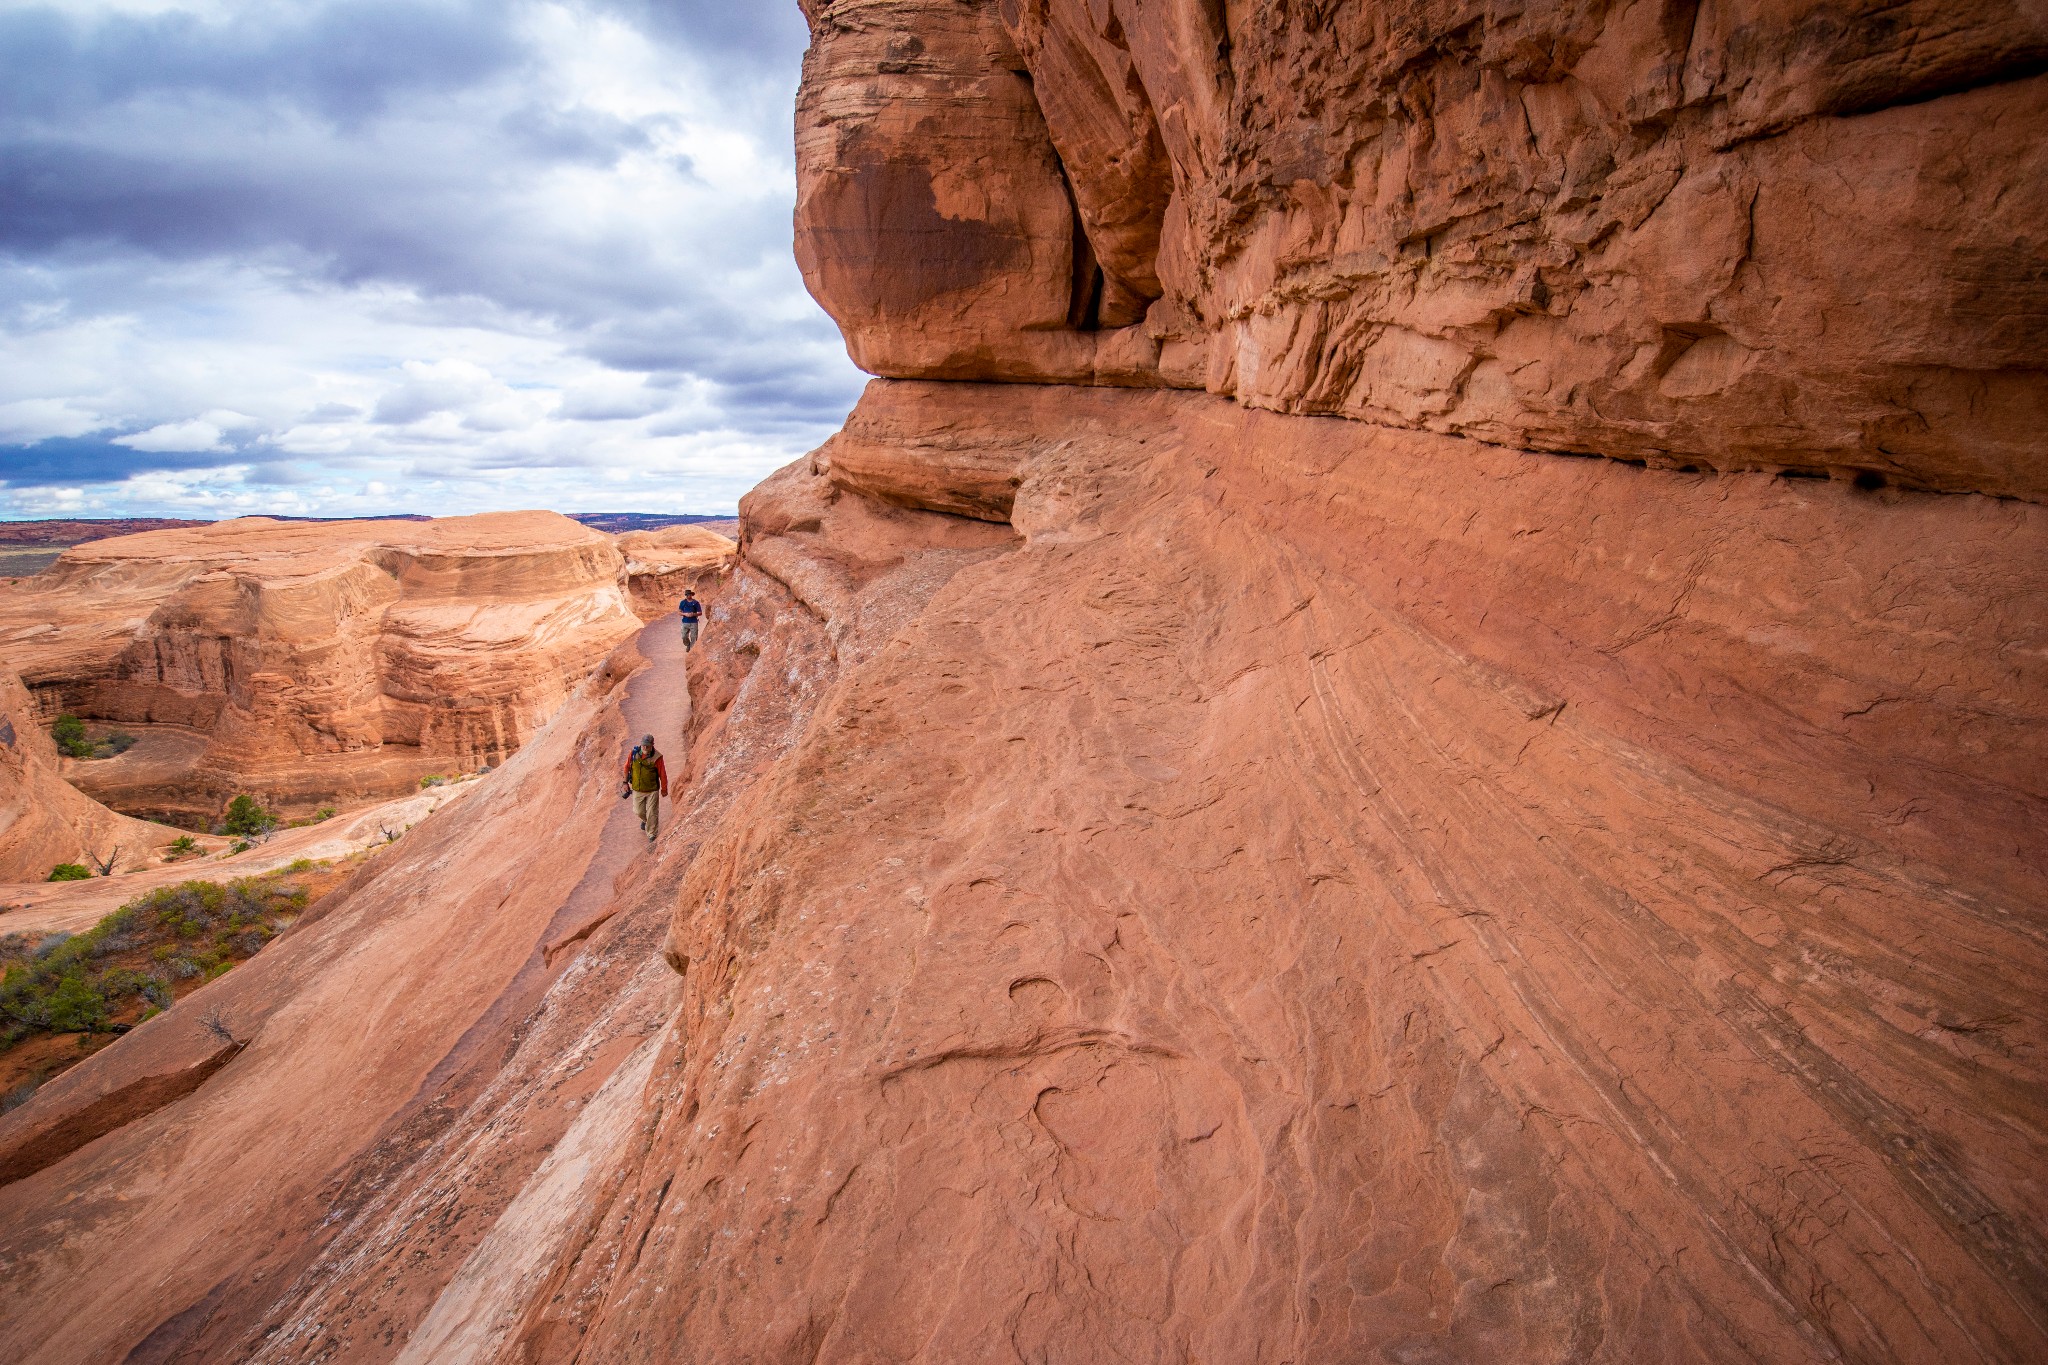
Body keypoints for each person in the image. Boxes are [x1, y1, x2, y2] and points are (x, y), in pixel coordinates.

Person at [621, 734, 668, 842]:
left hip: (652, 790)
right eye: (643, 746)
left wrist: (664, 789)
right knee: (638, 811)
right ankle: (645, 820)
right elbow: (626, 767)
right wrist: (625, 783)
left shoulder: (657, 757)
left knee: (652, 812)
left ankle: (652, 834)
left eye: (647, 746)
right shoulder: (633, 754)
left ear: (652, 745)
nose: (645, 748)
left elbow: (662, 774)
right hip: (638, 789)